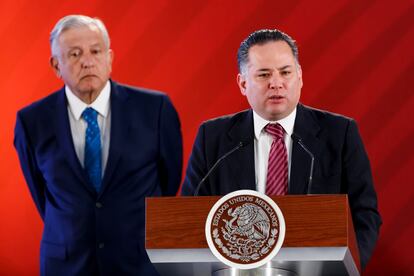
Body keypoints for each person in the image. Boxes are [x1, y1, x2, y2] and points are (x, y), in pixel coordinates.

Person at [181, 29, 381, 269]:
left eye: (285, 72)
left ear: (300, 77)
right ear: (243, 83)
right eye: (264, 75)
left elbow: (364, 215)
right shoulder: (213, 138)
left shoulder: (340, 134)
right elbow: (188, 218)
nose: (276, 83)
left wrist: (344, 269)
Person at [14, 15, 182, 275]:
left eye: (95, 51)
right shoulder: (32, 121)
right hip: (67, 264)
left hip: (139, 263)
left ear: (110, 58)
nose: (87, 61)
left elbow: (169, 183)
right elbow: (42, 194)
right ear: (56, 65)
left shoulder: (155, 109)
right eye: (74, 54)